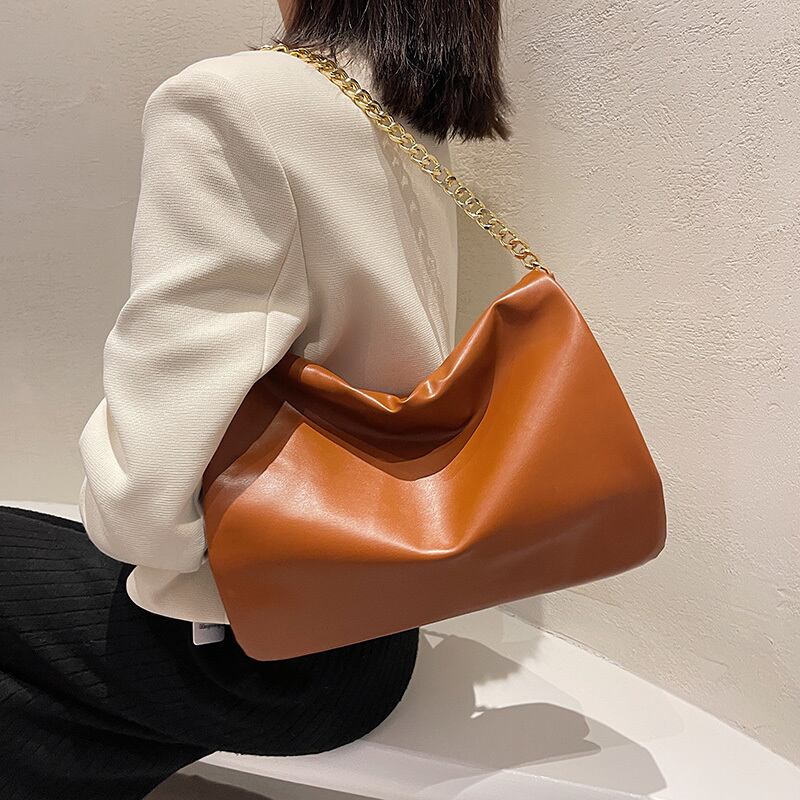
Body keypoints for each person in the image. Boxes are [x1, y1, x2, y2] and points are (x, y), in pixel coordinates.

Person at [0, 1, 513, 797]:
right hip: (375, 632)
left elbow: (141, 504)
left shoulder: (233, 103)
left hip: (255, 649)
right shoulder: (405, 113)